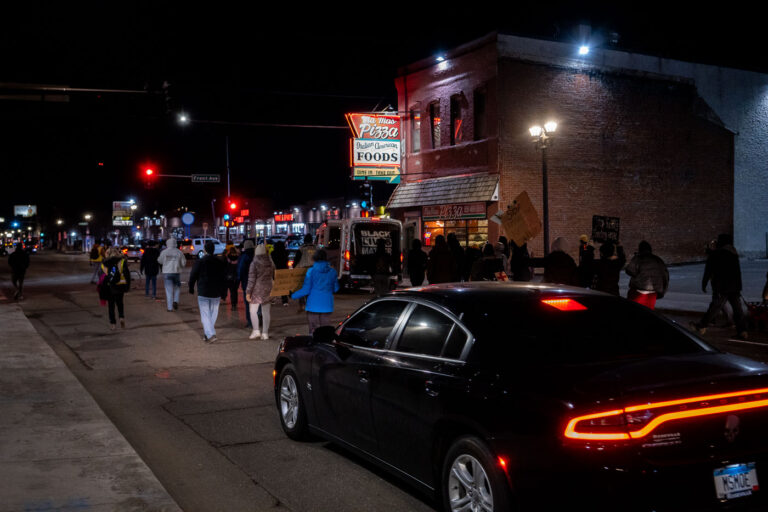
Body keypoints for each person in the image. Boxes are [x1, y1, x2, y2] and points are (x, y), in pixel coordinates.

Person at [690, 234, 748, 339]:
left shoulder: (717, 254)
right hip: (734, 287)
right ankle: (742, 331)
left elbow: (709, 270)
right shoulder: (733, 253)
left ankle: (702, 325)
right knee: (737, 309)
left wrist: (704, 283)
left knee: (715, 307)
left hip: (722, 286)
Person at [290, 248, 340, 334]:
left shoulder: (311, 271)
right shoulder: (332, 272)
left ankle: (314, 345)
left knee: (313, 331)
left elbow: (306, 289)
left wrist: (293, 295)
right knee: (325, 331)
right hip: (327, 305)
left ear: (315, 258)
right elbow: (336, 288)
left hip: (313, 305)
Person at [189, 241, 227, 343]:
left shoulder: (200, 262)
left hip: (203, 291)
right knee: (213, 313)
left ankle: (210, 335)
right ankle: (208, 333)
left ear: (205, 250)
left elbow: (193, 275)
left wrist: (191, 287)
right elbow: (224, 278)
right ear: (213, 250)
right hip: (216, 291)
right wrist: (224, 292)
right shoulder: (220, 262)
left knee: (205, 314)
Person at [246, 244, 278, 340]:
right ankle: (265, 333)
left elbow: (251, 279)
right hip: (268, 289)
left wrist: (248, 292)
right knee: (266, 312)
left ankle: (256, 331)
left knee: (253, 311)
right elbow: (274, 274)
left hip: (257, 290)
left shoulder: (254, 263)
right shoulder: (270, 262)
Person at [625, 240, 669, 310]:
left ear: (640, 249)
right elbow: (665, 276)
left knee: (633, 311)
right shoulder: (658, 260)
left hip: (638, 291)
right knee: (648, 313)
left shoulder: (639, 258)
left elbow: (629, 271)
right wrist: (662, 292)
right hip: (653, 293)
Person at [100, 246, 131, 330]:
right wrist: (128, 286)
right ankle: (121, 317)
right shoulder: (122, 261)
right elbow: (127, 275)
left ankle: (113, 324)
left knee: (111, 306)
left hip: (109, 286)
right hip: (120, 285)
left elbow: (101, 276)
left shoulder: (104, 263)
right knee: (120, 303)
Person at [157, 237, 186, 312]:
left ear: (167, 244)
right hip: (176, 272)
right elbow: (183, 262)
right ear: (175, 244)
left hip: (167, 272)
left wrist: (166, 263)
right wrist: (180, 266)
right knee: (177, 288)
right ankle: (176, 300)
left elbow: (159, 261)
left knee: (168, 290)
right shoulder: (179, 252)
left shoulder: (164, 252)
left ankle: (169, 308)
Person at [293, 234, 317, 312]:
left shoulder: (301, 249)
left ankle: (302, 305)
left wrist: (294, 267)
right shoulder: (316, 248)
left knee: (301, 287)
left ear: (304, 240)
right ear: (311, 240)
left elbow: (296, 259)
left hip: (303, 270)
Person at [237, 240, 256, 328]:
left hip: (247, 283)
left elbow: (240, 270)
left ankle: (250, 321)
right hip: (257, 283)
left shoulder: (244, 256)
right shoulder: (257, 255)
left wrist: (238, 279)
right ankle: (258, 319)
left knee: (248, 303)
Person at [271, 241, 290, 306]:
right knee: (283, 286)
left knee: (275, 285)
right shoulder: (285, 253)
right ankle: (285, 300)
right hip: (284, 270)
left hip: (276, 270)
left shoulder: (273, 253)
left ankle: (273, 299)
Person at [222, 245, 240, 310]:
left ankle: (233, 305)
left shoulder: (227, 258)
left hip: (229, 277)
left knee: (232, 291)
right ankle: (235, 304)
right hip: (237, 277)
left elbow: (224, 267)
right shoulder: (238, 257)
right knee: (235, 290)